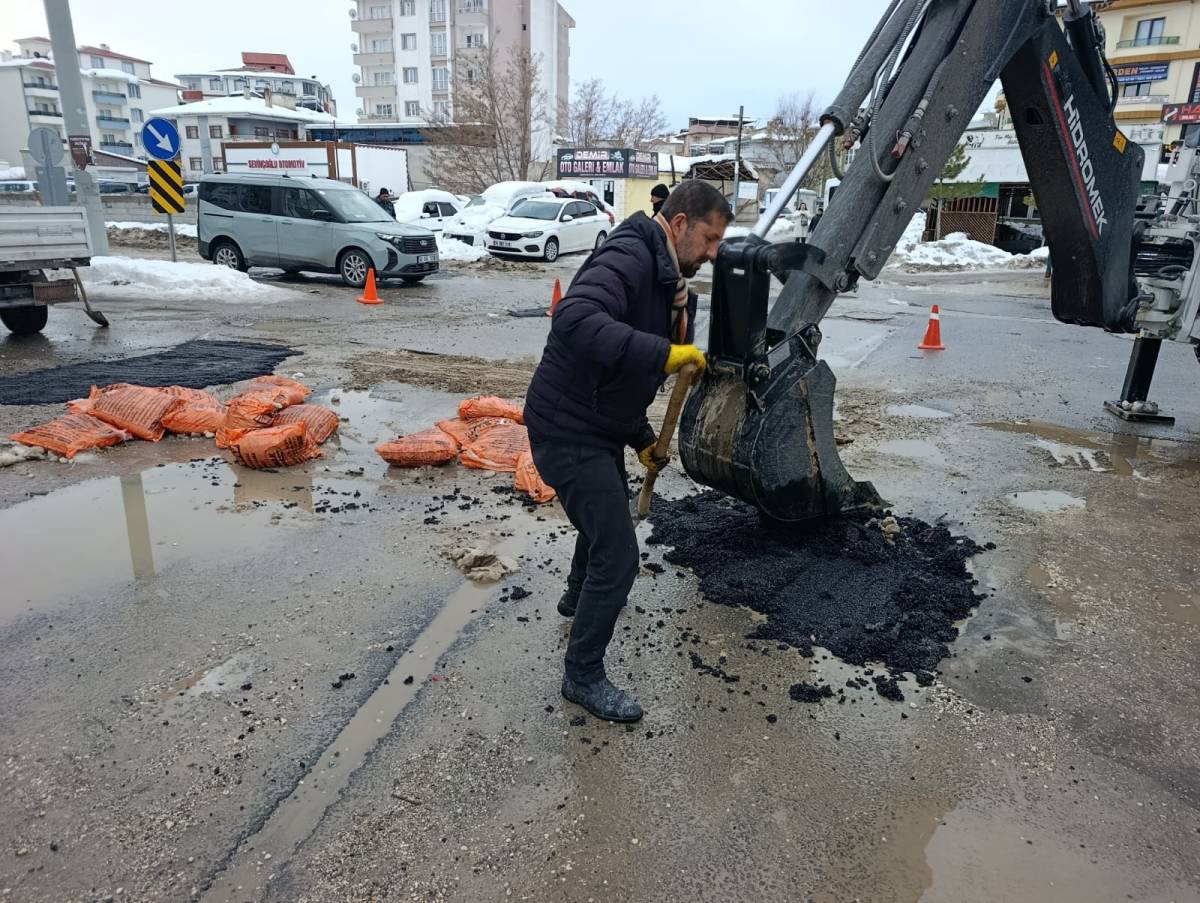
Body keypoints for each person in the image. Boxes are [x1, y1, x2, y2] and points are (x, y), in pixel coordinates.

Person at [524, 180, 733, 722]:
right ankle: (582, 675)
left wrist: (641, 439)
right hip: (565, 430)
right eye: (709, 239)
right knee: (618, 555)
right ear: (680, 223)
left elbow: (613, 377)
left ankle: (576, 595)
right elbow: (575, 320)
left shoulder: (667, 276)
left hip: (593, 423)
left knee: (609, 513)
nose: (713, 254)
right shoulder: (629, 255)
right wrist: (665, 353)